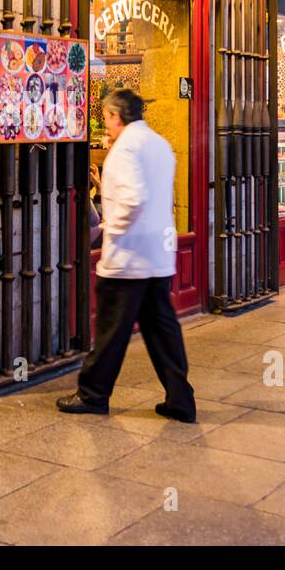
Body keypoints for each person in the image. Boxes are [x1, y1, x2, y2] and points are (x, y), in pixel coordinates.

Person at [57, 89, 196, 423]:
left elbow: (133, 200)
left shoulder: (124, 149)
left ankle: (93, 394)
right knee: (162, 330)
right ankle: (180, 399)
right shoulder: (160, 144)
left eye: (105, 117)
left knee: (111, 330)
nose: (106, 124)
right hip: (158, 254)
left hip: (129, 257)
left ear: (115, 116)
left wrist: (112, 229)